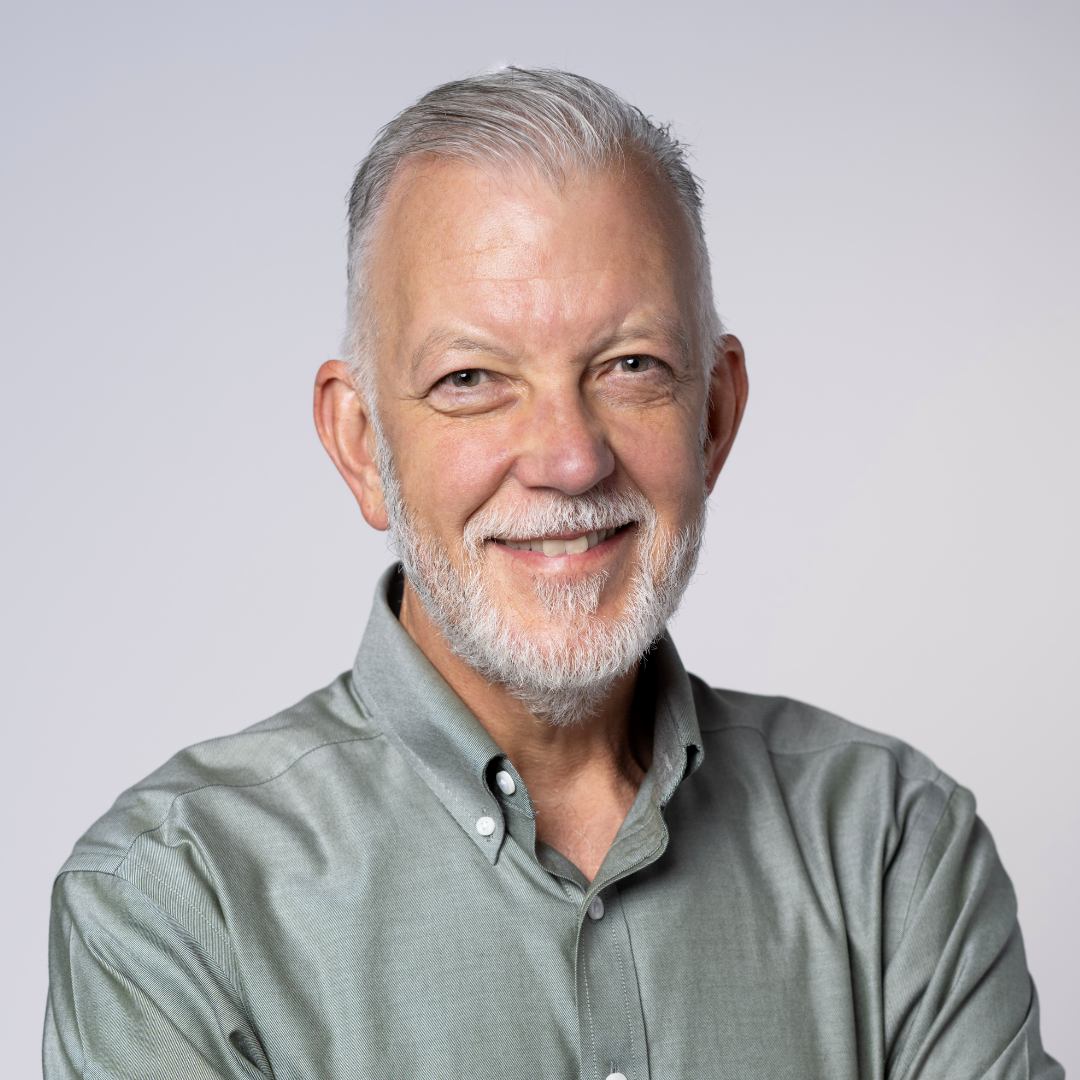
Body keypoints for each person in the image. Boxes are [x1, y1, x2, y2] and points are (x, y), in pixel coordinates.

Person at [44, 68, 1063, 1080]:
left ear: (713, 416)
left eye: (630, 367)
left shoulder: (894, 850)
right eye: (471, 379)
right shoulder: (178, 899)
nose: (570, 459)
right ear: (361, 446)